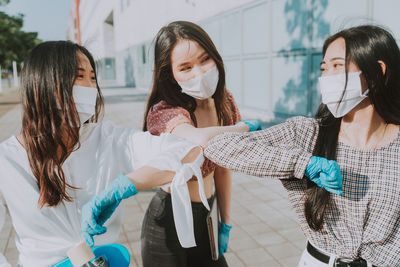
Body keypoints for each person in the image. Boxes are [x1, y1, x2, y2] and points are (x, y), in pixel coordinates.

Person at [204, 25, 400, 266]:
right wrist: (302, 163)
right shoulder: (307, 134)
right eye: (324, 68)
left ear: (376, 72)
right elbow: (218, 146)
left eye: (337, 66)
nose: (327, 77)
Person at [0, 40, 203, 267]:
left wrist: (125, 185)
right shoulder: (6, 160)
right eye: (79, 76)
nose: (90, 87)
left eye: (93, 78)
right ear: (42, 83)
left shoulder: (109, 138)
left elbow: (189, 152)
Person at [140, 21, 261, 267]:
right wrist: (244, 128)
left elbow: (223, 167)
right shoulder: (166, 112)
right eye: (185, 67)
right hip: (167, 223)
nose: (200, 73)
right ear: (170, 75)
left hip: (206, 215)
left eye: (205, 59)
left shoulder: (225, 102)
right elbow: (203, 139)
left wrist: (225, 221)